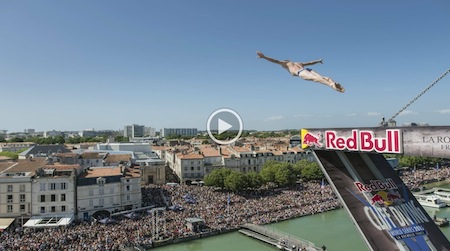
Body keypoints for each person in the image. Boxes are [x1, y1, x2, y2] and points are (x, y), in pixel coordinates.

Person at [256, 51, 345, 93]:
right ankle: (332, 82)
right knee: (325, 77)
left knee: (317, 79)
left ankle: (332, 85)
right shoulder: (298, 63)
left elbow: (275, 60)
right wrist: (318, 61)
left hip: (301, 72)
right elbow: (310, 63)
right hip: (308, 69)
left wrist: (264, 57)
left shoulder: (286, 63)